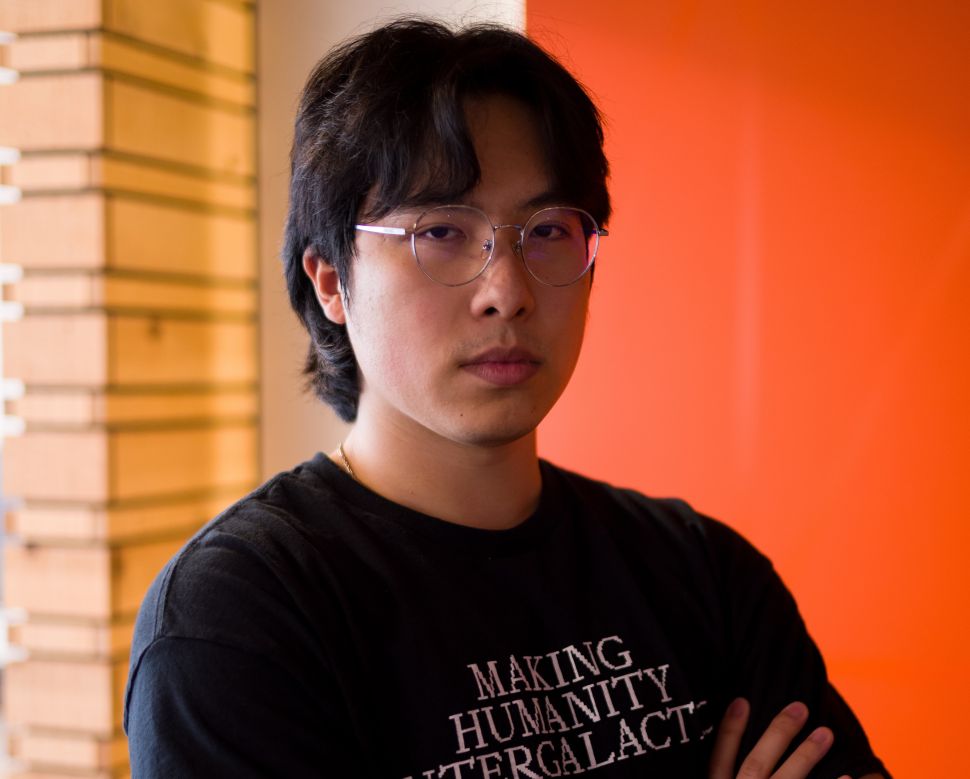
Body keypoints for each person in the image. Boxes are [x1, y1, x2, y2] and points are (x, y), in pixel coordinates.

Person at [123, 18, 889, 779]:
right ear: (331, 280)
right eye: (443, 231)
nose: (508, 292)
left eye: (548, 230)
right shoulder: (243, 617)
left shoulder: (703, 574)